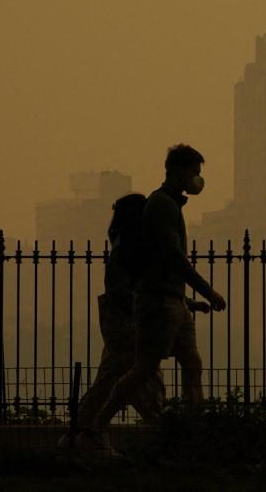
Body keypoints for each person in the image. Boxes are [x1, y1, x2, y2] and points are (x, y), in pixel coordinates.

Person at [92, 144, 226, 436]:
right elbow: (172, 257)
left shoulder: (170, 205)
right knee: (143, 369)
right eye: (194, 172)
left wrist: (188, 302)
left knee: (192, 362)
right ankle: (97, 426)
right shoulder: (162, 205)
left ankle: (195, 429)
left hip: (173, 302)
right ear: (177, 170)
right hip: (159, 304)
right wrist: (208, 292)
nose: (197, 178)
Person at [62, 193, 211, 451]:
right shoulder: (129, 252)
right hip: (132, 326)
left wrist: (185, 302)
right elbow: (141, 289)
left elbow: (150, 285)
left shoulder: (127, 249)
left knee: (110, 381)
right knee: (144, 383)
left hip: (121, 328)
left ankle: (82, 433)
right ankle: (166, 438)